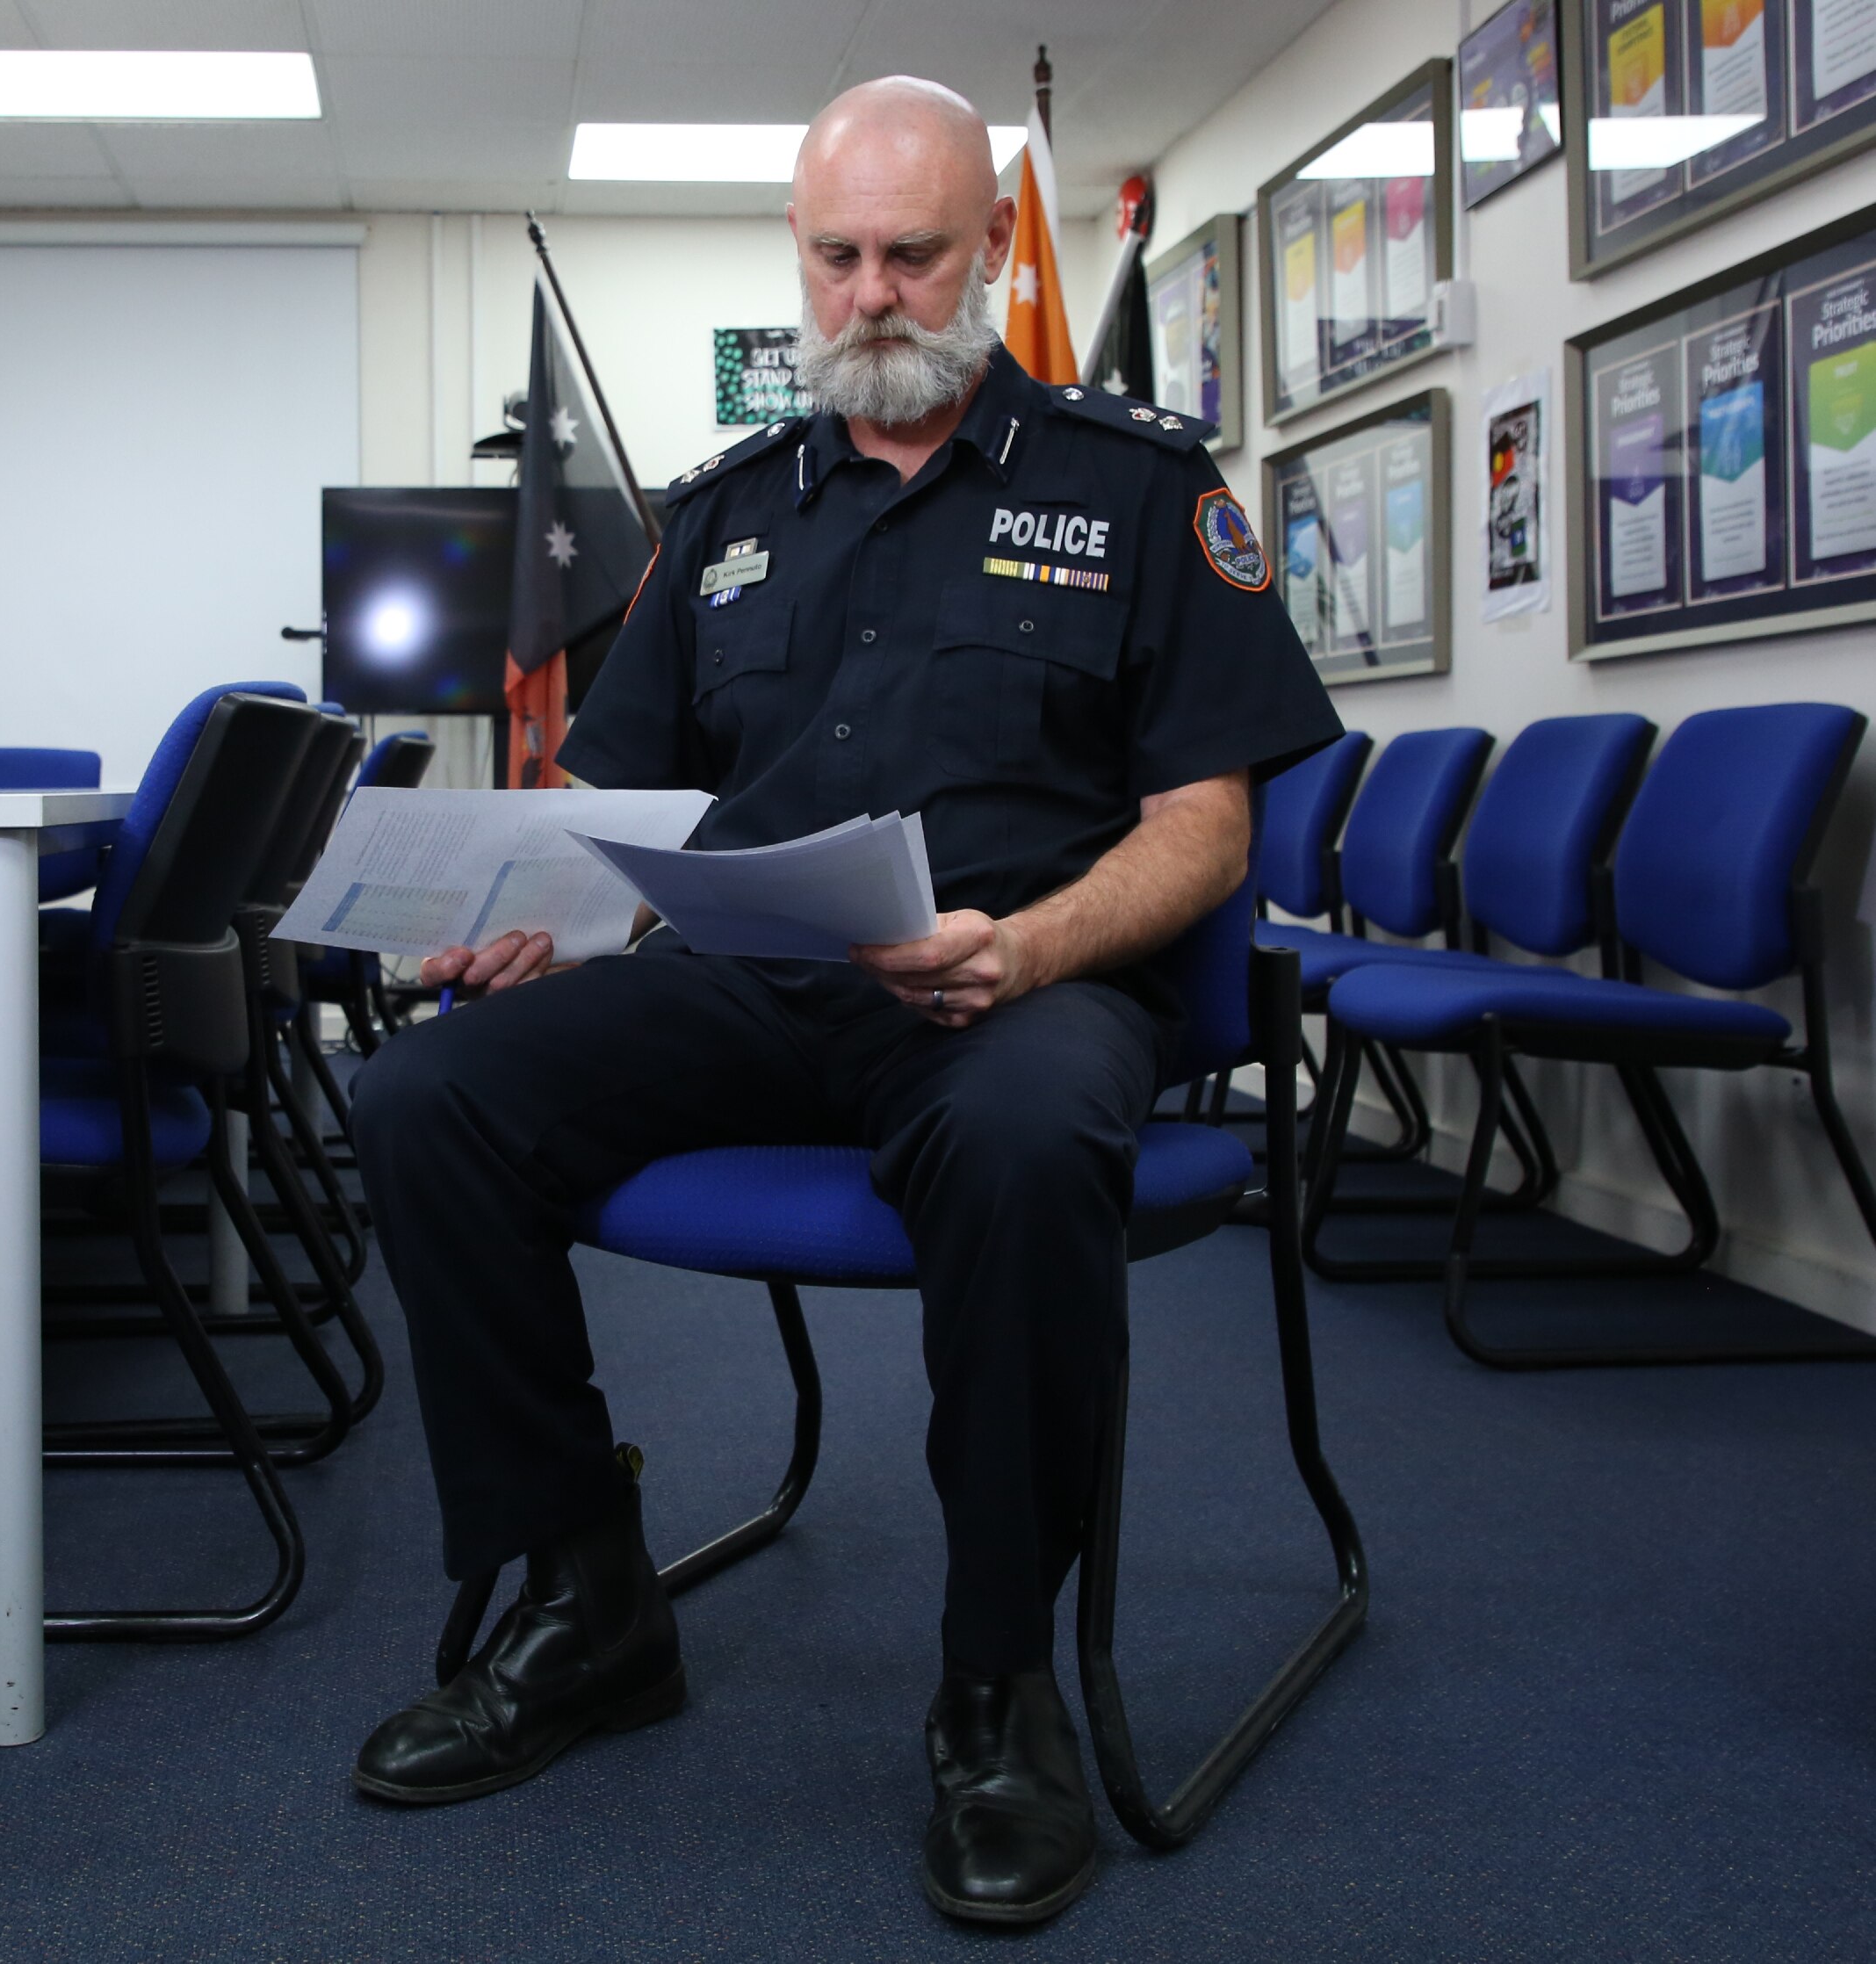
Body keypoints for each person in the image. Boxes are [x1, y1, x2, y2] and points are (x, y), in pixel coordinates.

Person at [343, 76, 1340, 1928]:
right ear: (797, 257)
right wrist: (540, 912)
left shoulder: (1136, 487)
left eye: (915, 253)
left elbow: (1211, 821)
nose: (873, 293)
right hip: (754, 984)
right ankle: (587, 1596)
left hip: (1017, 984)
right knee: (427, 1096)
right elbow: (617, 795)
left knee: (1034, 1140)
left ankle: (995, 1683)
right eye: (837, 256)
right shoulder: (721, 514)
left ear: (986, 256)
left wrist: (1034, 946)